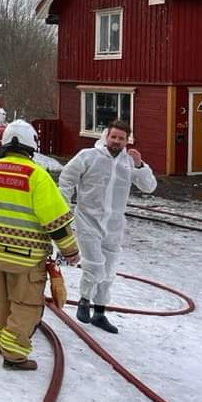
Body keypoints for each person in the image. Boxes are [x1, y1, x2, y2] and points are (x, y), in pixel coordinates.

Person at [0, 120, 80, 370]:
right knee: (26, 306)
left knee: (3, 299)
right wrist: (70, 251)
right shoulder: (37, 176)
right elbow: (56, 221)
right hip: (26, 259)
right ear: (32, 145)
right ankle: (13, 354)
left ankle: (2, 336)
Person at [58, 119, 157, 334]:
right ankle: (84, 301)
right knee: (94, 264)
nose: (116, 141)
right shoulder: (88, 156)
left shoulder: (129, 162)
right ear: (106, 136)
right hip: (88, 220)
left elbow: (149, 187)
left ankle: (100, 312)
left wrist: (140, 166)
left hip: (114, 225)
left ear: (126, 141)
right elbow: (66, 178)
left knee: (109, 268)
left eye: (121, 138)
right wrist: (63, 206)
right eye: (114, 137)